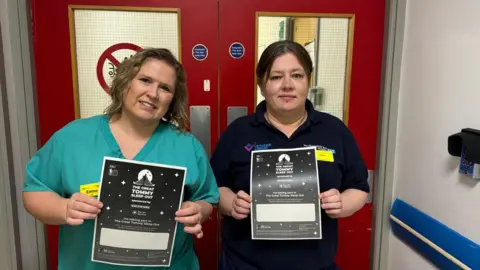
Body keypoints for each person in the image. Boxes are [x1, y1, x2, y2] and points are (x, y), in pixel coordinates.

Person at [23, 48, 219, 270]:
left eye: (165, 88)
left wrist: (198, 211)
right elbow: (34, 190)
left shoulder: (185, 145)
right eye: (145, 80)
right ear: (126, 82)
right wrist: (63, 208)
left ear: (172, 99)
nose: (153, 93)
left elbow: (207, 198)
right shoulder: (73, 138)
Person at [210, 40, 370, 270]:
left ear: (308, 81)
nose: (287, 85)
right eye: (276, 77)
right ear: (262, 86)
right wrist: (231, 203)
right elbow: (214, 187)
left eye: (296, 75)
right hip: (244, 264)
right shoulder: (239, 132)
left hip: (314, 264)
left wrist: (343, 203)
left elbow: (359, 187)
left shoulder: (334, 131)